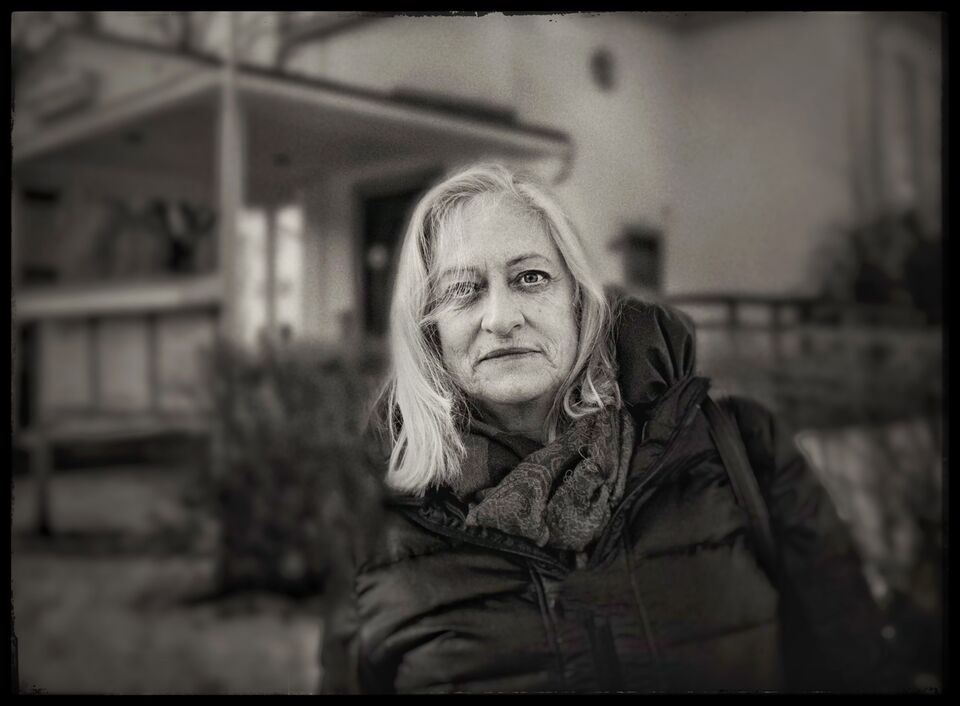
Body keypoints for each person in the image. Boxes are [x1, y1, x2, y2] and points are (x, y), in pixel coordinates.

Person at [318, 163, 908, 694]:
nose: (500, 318)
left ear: (579, 300)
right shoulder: (377, 533)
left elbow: (859, 672)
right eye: (463, 290)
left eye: (530, 278)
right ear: (430, 331)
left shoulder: (745, 452)